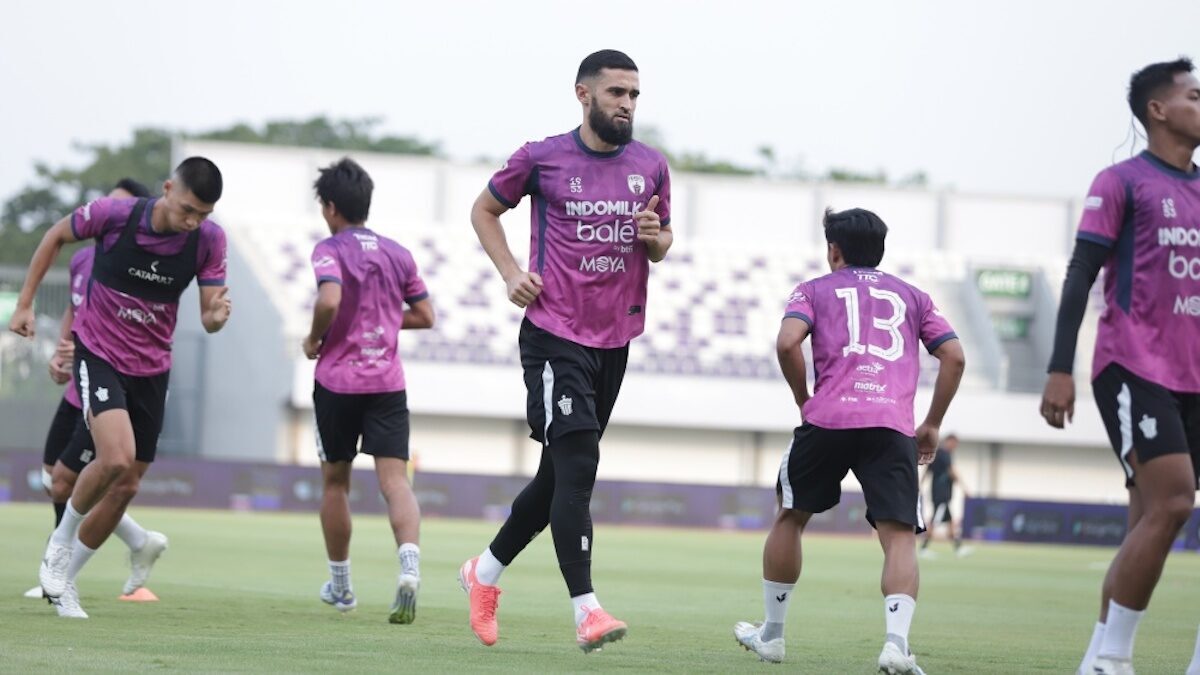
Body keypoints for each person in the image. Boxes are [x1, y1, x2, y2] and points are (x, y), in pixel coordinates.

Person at [458, 49, 672, 652]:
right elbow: (484, 209)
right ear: (583, 94)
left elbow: (661, 242)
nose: (627, 105)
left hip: (616, 337)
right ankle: (587, 610)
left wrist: (657, 240)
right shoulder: (542, 157)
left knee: (559, 473)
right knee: (579, 463)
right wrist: (510, 273)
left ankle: (484, 573)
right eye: (616, 94)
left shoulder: (652, 166)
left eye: (634, 95)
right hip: (555, 332)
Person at [733, 207, 965, 673]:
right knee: (899, 537)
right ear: (879, 251)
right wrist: (933, 424)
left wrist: (804, 398)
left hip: (829, 418)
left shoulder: (813, 289)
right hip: (892, 424)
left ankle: (773, 636)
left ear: (833, 250)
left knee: (791, 516)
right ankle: (896, 645)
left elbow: (786, 343)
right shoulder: (914, 296)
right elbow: (954, 357)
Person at [9, 157, 231, 619]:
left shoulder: (208, 239)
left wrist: (216, 317)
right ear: (168, 188)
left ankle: (65, 583)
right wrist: (26, 304)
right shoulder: (116, 216)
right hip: (101, 354)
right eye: (188, 209)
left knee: (127, 482)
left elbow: (210, 314)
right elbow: (54, 236)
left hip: (152, 369)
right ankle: (58, 547)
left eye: (203, 215)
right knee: (115, 457)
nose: (194, 222)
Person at [1040, 57, 1200, 675]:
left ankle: (1097, 659)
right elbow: (1081, 274)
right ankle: (1113, 659)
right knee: (1174, 503)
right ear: (1159, 110)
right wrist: (1060, 368)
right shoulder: (1121, 182)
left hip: (1193, 375)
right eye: (1193, 94)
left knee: (1148, 517)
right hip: (1134, 366)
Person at [23, 179, 169, 607]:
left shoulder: (144, 261)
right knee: (54, 478)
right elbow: (73, 308)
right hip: (79, 385)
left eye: (123, 209)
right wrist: (60, 353)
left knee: (85, 476)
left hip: (115, 383)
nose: (112, 215)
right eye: (108, 206)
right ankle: (138, 540)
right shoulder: (84, 259)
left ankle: (61, 576)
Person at [303, 158, 435, 624]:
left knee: (335, 482)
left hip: (337, 382)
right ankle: (410, 569)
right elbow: (425, 315)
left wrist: (316, 336)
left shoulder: (329, 248)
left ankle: (341, 588)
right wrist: (380, 317)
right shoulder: (397, 253)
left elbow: (330, 298)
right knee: (395, 482)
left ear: (331, 207)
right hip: (386, 382)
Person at [919, 433, 970, 557]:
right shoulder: (945, 454)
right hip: (941, 495)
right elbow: (952, 471)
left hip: (939, 494)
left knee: (950, 522)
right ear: (949, 441)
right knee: (935, 521)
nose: (955, 447)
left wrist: (920, 485)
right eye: (954, 444)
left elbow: (927, 471)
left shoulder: (936, 453)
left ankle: (958, 548)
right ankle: (923, 549)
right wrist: (963, 487)